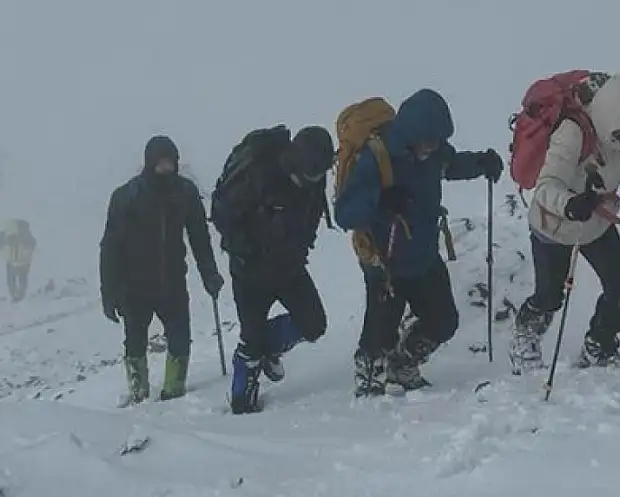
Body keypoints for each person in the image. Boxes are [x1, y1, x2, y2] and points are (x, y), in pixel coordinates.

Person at [509, 70, 620, 371]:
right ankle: (524, 338)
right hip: (553, 226)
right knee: (550, 296)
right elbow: (546, 186)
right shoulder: (573, 131)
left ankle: (599, 344)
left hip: (596, 221)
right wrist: (569, 204)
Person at [334, 89, 504, 397]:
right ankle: (369, 383)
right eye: (429, 140)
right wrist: (381, 201)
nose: (434, 147)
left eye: (438, 140)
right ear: (412, 134)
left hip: (423, 255)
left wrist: (481, 163)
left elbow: (451, 164)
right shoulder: (377, 157)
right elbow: (344, 213)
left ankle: (402, 364)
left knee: (443, 322)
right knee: (379, 334)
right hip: (385, 262)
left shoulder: (433, 151)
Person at [210, 125, 334, 414]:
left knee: (314, 324)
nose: (309, 181)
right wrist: (246, 251)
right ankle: (249, 364)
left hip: (289, 268)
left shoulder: (314, 176)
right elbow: (223, 215)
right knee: (244, 398)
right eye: (306, 175)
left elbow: (312, 214)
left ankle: (262, 349)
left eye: (316, 175)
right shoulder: (258, 173)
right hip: (250, 273)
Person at [99, 135, 225, 405]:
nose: (166, 170)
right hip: (134, 286)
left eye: (170, 164)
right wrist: (109, 292)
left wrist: (210, 274)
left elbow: (199, 237)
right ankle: (139, 393)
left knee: (180, 340)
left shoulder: (186, 193)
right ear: (149, 164)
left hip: (172, 282)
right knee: (135, 341)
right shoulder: (126, 197)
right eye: (160, 164)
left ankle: (174, 393)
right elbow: (110, 247)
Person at [0, 218, 37, 302]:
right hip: (22, 261)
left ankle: (16, 296)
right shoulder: (25, 235)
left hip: (15, 261)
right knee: (20, 280)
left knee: (13, 281)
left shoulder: (10, 234)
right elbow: (33, 244)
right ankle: (18, 296)